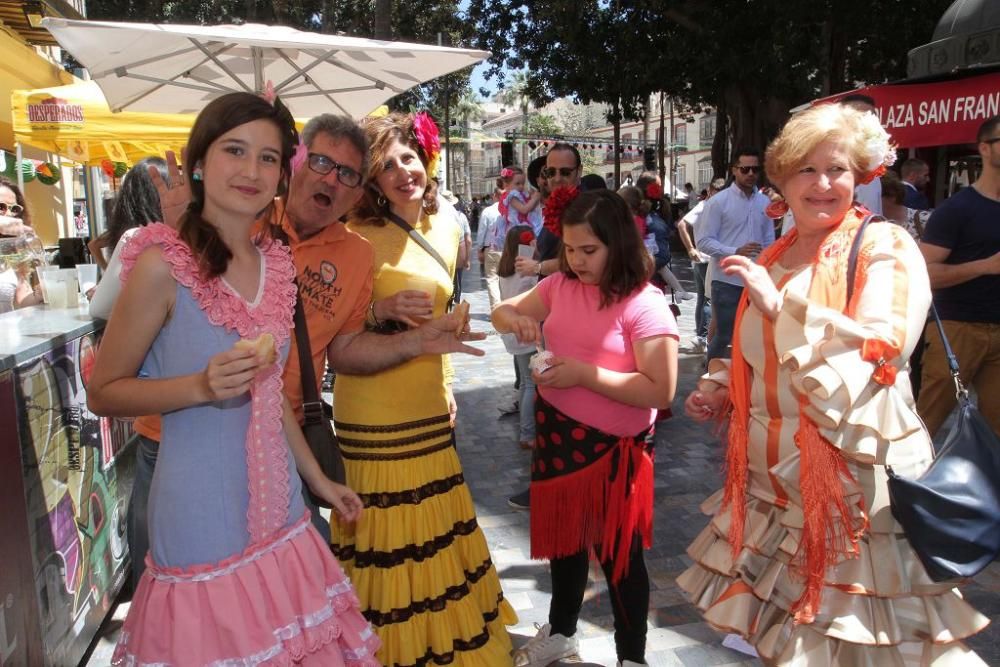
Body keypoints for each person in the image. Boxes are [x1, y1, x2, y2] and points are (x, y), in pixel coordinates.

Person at [678, 102, 988, 665]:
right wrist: (720, 382)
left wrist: (783, 308)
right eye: (806, 170)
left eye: (838, 170)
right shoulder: (772, 254)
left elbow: (882, 345)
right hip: (772, 487)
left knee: (857, 642)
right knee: (785, 638)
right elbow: (752, 349)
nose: (823, 184)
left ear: (861, 175)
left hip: (852, 490)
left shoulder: (885, 246)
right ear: (780, 179)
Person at [86, 92, 380, 665]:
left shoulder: (275, 263)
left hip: (283, 511)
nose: (251, 171)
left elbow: (269, 395)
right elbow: (103, 392)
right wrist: (199, 386)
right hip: (200, 520)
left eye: (268, 158)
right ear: (198, 161)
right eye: (235, 150)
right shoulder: (159, 265)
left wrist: (318, 479)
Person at [334, 111, 517, 666]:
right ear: (371, 179)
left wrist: (447, 383)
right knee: (384, 545)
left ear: (427, 160)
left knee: (439, 539)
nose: (401, 172)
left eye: (408, 158)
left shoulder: (446, 227)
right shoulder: (351, 234)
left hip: (430, 409)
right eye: (385, 165)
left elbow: (442, 317)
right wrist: (378, 309)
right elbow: (329, 333)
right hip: (372, 411)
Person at [493, 189, 678, 667]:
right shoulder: (559, 288)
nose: (576, 261)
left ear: (618, 243)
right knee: (566, 545)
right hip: (558, 438)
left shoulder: (645, 303)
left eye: (588, 251)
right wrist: (517, 319)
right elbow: (502, 312)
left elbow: (660, 391)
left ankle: (631, 656)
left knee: (621, 559)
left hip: (615, 451)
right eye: (570, 249)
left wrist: (583, 375)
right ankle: (562, 631)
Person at [917, 114, 1000, 439]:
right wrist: (985, 266)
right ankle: (899, 486)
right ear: (985, 148)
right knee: (926, 423)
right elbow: (924, 274)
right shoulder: (957, 209)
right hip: (957, 329)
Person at [695, 148, 773, 360]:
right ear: (734, 171)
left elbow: (768, 240)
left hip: (756, 280)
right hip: (727, 281)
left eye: (755, 170)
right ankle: (711, 377)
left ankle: (745, 382)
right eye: (745, 169)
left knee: (754, 336)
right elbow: (703, 241)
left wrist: (768, 267)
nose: (750, 174)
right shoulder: (718, 202)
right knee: (724, 335)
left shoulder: (764, 203)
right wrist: (734, 251)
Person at [498, 224, 539, 450]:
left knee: (525, 381)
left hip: (515, 334)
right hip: (529, 333)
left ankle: (526, 431)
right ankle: (528, 433)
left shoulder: (505, 270)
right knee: (532, 383)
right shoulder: (526, 272)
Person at [677, 178, 725, 353]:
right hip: (705, 259)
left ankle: (701, 335)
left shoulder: (709, 206)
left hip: (704, 258)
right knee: (707, 299)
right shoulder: (706, 206)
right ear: (712, 192)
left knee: (703, 298)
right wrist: (691, 248)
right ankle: (703, 336)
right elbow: (681, 225)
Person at [0, 177, 43, 312]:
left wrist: (40, 294)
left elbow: (22, 299)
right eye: (1, 207)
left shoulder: (13, 248)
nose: (8, 214)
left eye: (14, 209)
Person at [840, 94, 883, 215]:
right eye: (857, 117)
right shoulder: (820, 164)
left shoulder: (874, 166)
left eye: (870, 116)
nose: (864, 123)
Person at [478, 184, 506, 308]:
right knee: (506, 279)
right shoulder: (511, 210)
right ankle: (507, 306)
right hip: (508, 248)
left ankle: (496, 308)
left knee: (492, 279)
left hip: (491, 248)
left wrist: (480, 248)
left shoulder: (488, 211)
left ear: (495, 196)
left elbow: (482, 231)